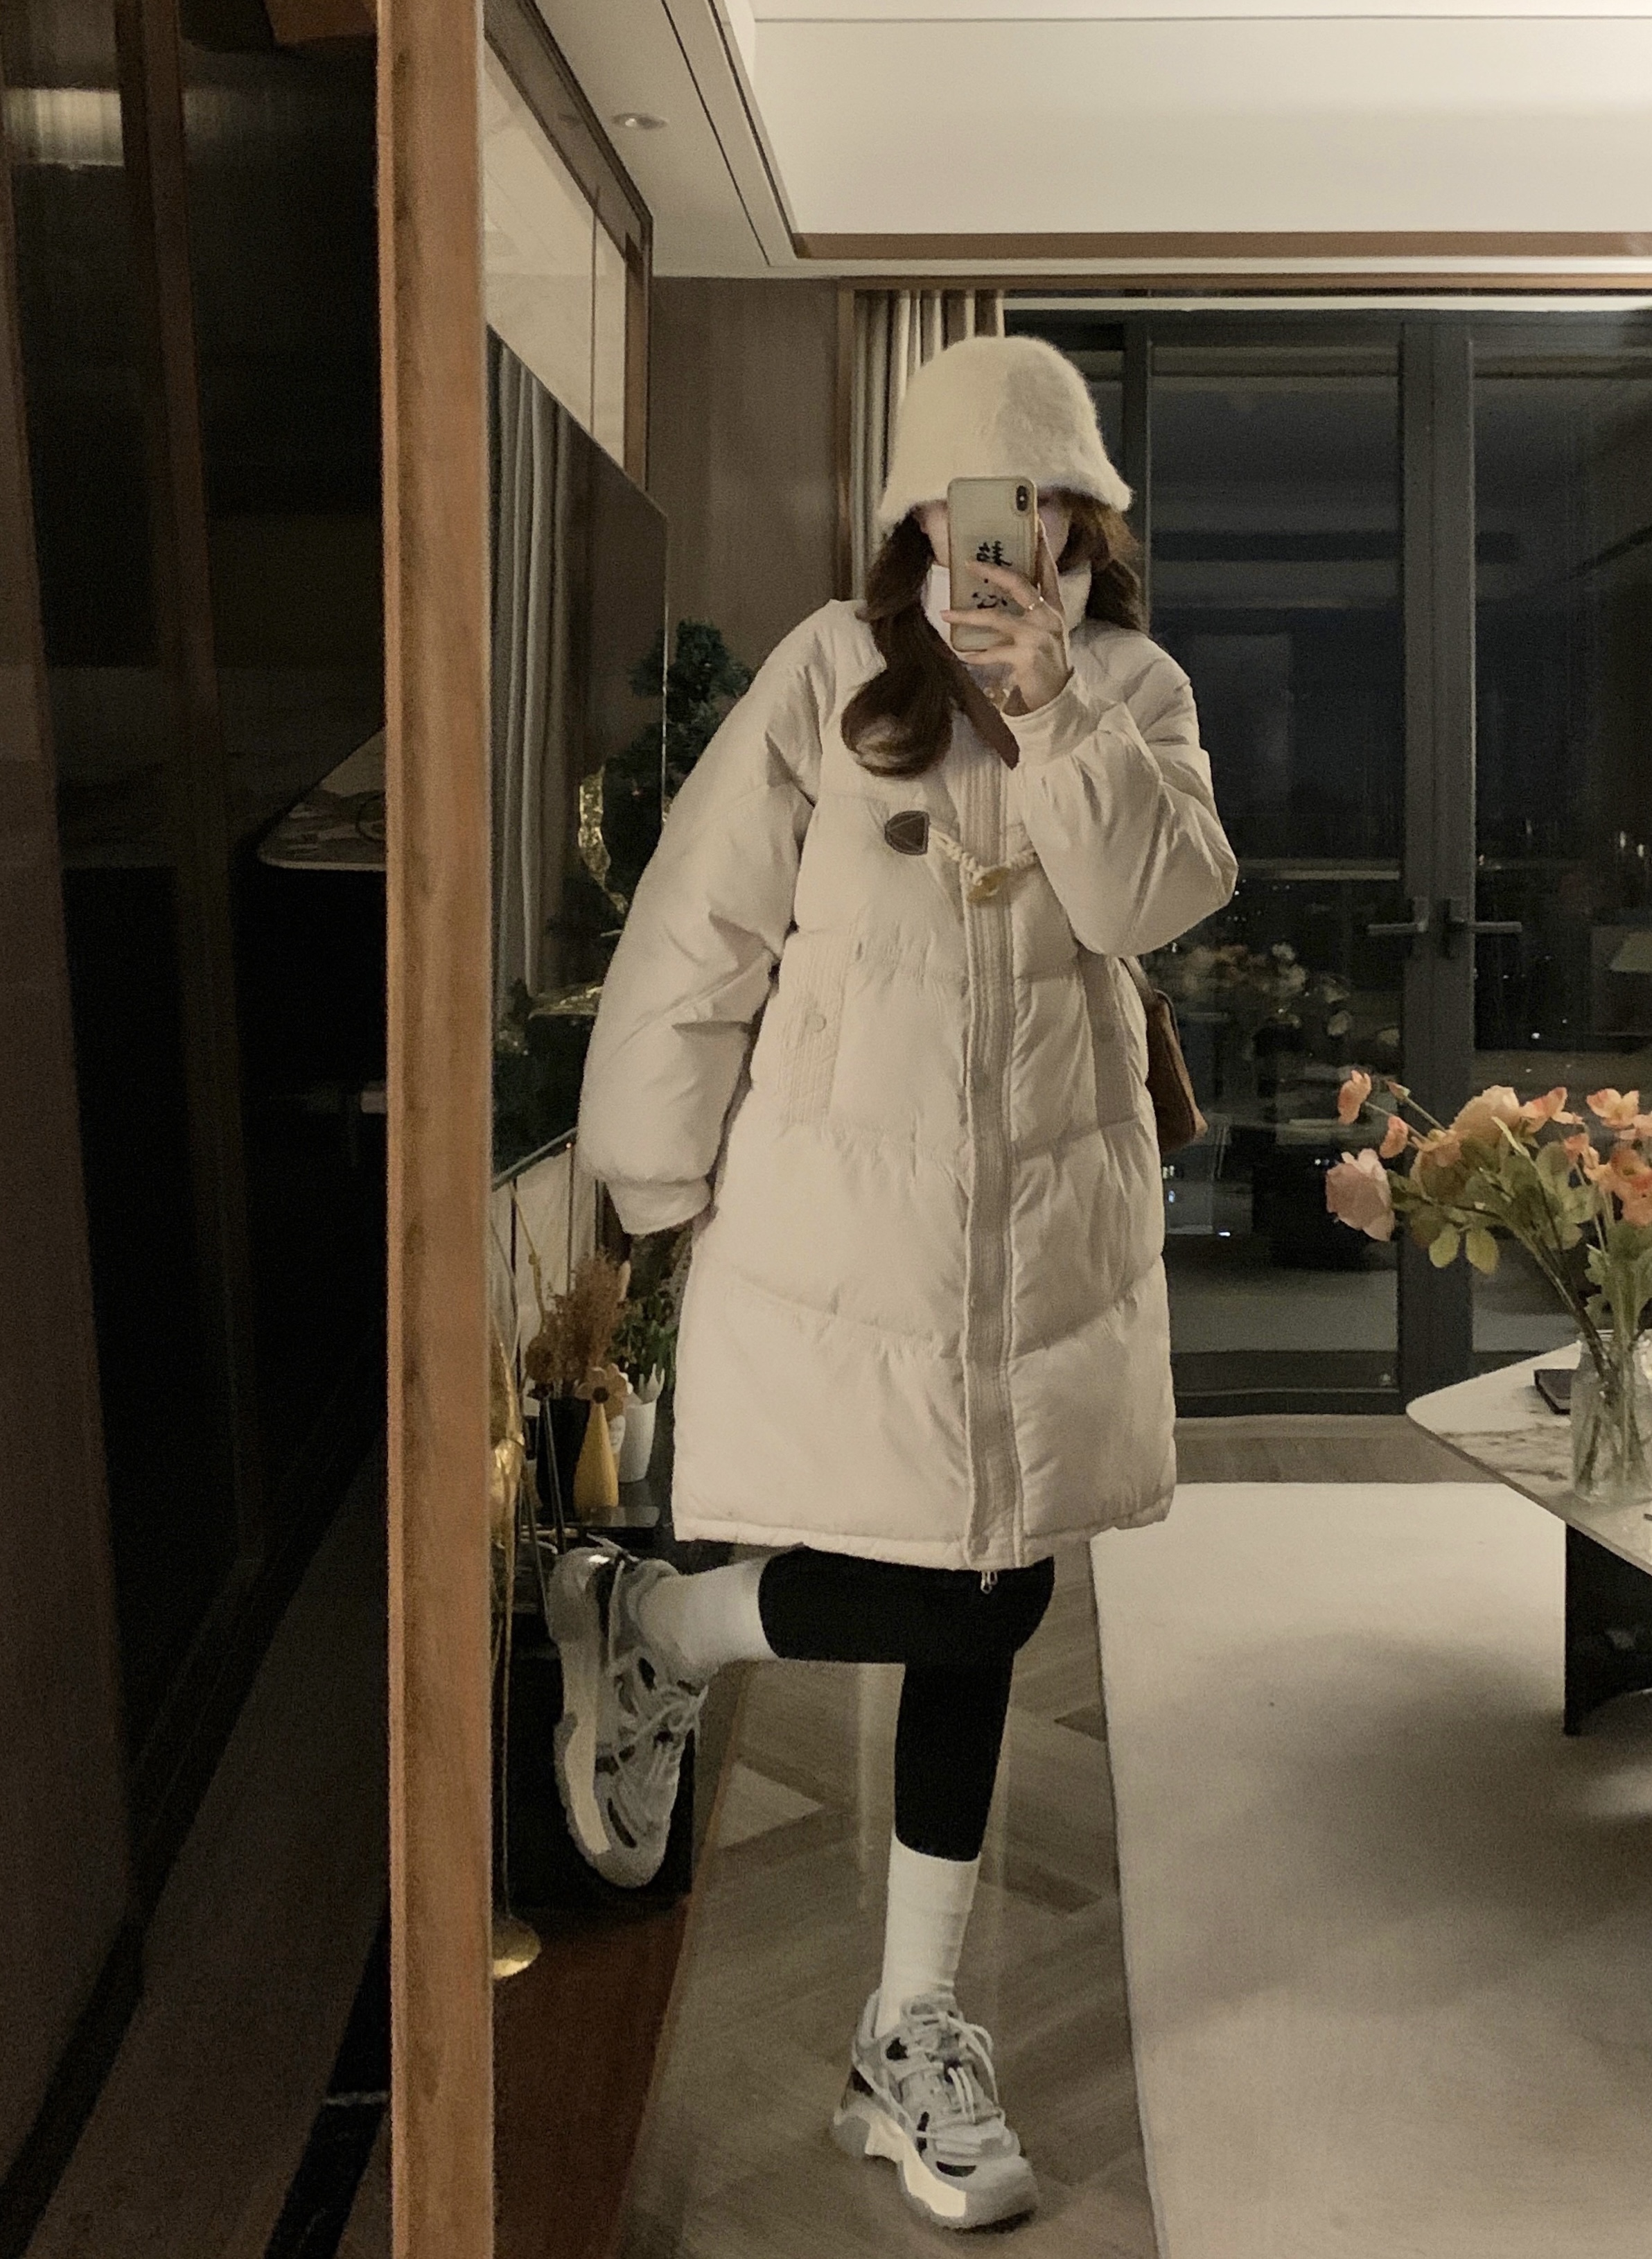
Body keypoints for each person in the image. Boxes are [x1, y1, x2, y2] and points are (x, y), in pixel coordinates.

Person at [547, 333, 1238, 2232]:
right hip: (854, 1222)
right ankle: (668, 1638)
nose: (1008, 538)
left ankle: (898, 2011)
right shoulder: (825, 674)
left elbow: (1156, 898)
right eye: (969, 505)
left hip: (1043, 1234)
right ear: (916, 518)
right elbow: (702, 919)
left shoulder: (1135, 689)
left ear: (1088, 518)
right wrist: (652, 1164)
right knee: (949, 1589)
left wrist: (1056, 705)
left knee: (999, 1585)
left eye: (1044, 505)